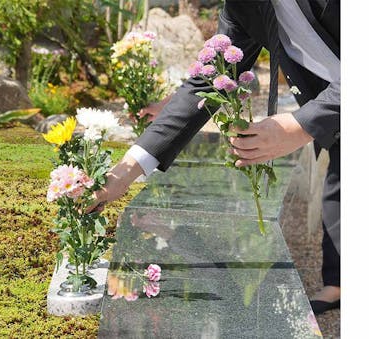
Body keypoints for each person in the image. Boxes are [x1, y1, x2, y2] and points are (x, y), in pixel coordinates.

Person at [88, 0, 340, 315]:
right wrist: (124, 174)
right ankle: (339, 283)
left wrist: (301, 124)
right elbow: (207, 81)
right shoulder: (243, 7)